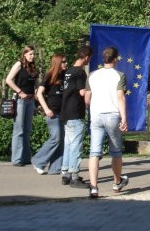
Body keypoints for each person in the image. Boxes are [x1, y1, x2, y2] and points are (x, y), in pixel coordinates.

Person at [85, 46, 129, 199]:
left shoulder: (92, 75)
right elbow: (120, 97)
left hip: (96, 115)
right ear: (115, 59)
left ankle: (93, 187)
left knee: (94, 152)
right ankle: (117, 182)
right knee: (116, 152)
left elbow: (86, 98)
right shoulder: (119, 75)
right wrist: (124, 117)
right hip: (112, 114)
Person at [60, 46, 91, 189]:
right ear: (86, 57)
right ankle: (74, 176)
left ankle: (65, 173)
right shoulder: (80, 72)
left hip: (65, 111)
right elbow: (82, 92)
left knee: (68, 144)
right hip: (75, 112)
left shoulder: (69, 71)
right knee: (76, 145)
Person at [31, 53, 67, 175]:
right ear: (57, 63)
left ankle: (55, 168)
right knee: (55, 138)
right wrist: (46, 109)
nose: (65, 64)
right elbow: (39, 93)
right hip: (52, 112)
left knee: (61, 140)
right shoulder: (49, 75)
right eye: (63, 61)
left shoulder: (64, 76)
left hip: (62, 113)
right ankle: (38, 160)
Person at [5, 45, 38, 167]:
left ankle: (25, 157)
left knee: (27, 129)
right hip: (20, 99)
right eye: (30, 54)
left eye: (33, 54)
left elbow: (36, 82)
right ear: (24, 54)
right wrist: (20, 92)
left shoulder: (33, 67)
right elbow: (8, 80)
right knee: (19, 129)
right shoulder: (19, 64)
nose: (32, 56)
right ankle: (16, 159)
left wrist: (36, 93)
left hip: (30, 100)